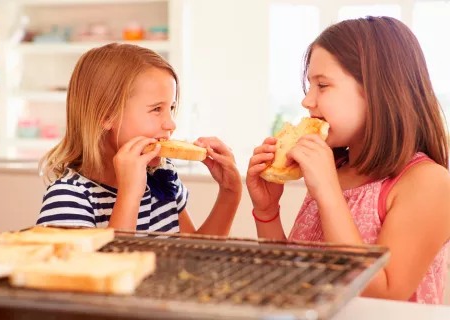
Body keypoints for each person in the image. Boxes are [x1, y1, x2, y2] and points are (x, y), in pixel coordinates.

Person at [247, 16, 450, 304]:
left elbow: (384, 293)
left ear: (377, 91)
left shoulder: (428, 182)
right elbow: (289, 279)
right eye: (310, 85)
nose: (307, 101)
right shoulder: (338, 169)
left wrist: (328, 193)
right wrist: (266, 210)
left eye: (323, 85)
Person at [37, 43, 242, 236]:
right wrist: (129, 193)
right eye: (156, 109)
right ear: (107, 115)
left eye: (171, 108)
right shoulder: (68, 198)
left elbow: (195, 259)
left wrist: (229, 193)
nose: (171, 124)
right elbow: (108, 270)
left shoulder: (161, 177)